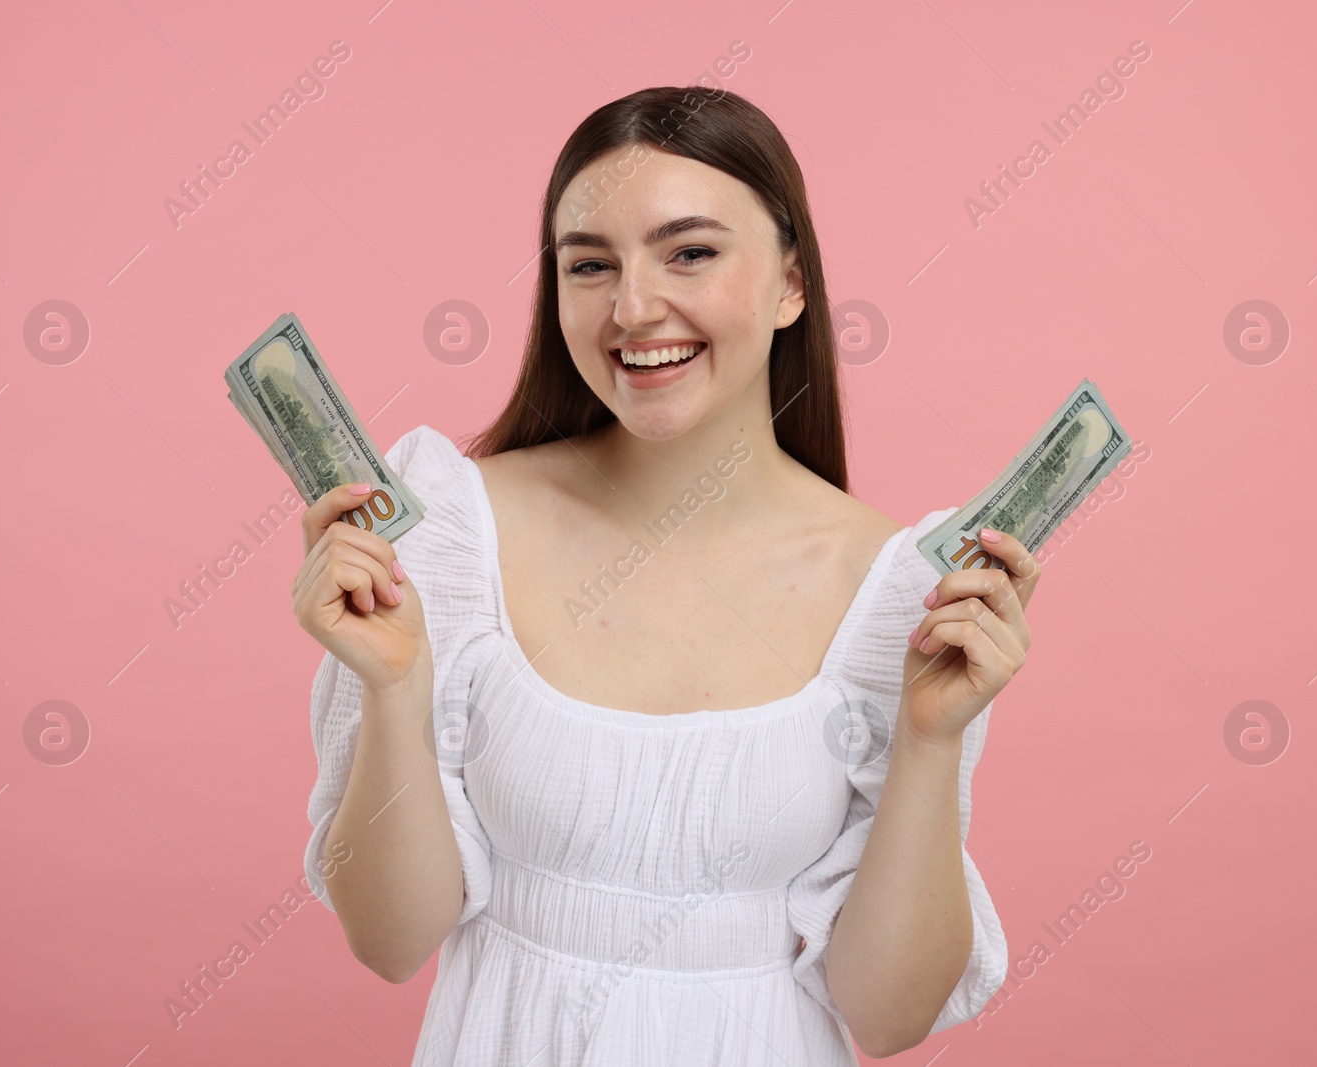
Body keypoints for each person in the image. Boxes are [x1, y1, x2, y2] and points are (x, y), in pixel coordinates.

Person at [292, 86, 1039, 1065]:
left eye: (690, 251)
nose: (633, 307)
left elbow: (885, 1013)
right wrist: (392, 688)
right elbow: (393, 940)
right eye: (588, 264)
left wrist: (933, 741)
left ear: (791, 283)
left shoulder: (904, 596)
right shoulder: (448, 534)